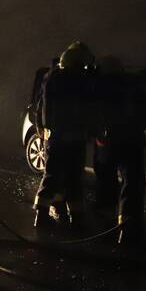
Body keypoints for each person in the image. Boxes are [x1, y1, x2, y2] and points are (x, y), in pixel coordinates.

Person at [33, 41, 96, 230]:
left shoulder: (51, 79)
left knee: (51, 175)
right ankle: (76, 218)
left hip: (54, 138)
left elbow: (40, 107)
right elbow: (88, 110)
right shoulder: (81, 81)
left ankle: (41, 215)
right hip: (75, 138)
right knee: (74, 177)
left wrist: (41, 127)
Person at [93, 56, 146, 244]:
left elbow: (92, 114)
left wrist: (98, 134)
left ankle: (105, 226)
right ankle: (128, 229)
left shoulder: (99, 87)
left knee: (106, 181)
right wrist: (137, 128)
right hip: (132, 142)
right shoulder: (134, 86)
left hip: (108, 143)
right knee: (132, 183)